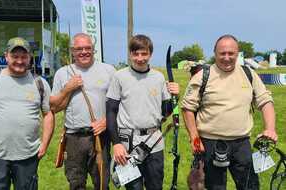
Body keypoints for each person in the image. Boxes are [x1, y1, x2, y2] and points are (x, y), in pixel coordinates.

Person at [181, 34, 278, 190]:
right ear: (215, 53)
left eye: (231, 53)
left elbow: (265, 102)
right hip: (210, 144)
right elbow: (187, 108)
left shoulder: (249, 74)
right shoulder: (202, 76)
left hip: (242, 144)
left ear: (237, 53)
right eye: (222, 53)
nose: (226, 58)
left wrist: (270, 129)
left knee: (250, 187)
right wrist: (194, 138)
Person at [106, 34, 179, 190]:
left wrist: (175, 96)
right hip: (127, 144)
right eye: (136, 53)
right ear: (130, 54)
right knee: (134, 188)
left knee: (155, 186)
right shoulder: (120, 76)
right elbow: (111, 112)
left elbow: (166, 112)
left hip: (154, 142)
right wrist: (116, 144)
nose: (140, 58)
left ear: (150, 54)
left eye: (144, 53)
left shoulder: (158, 77)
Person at [0, 37, 54, 189]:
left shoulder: (40, 83)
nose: (19, 61)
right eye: (15, 56)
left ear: (30, 57)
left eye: (24, 57)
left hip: (28, 155)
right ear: (6, 56)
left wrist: (45, 143)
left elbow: (48, 114)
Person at [50, 33, 116, 190]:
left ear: (93, 50)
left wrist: (106, 122)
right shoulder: (62, 73)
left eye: (88, 48)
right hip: (74, 138)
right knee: (76, 183)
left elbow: (119, 105)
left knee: (102, 183)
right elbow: (54, 107)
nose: (84, 52)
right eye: (79, 49)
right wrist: (68, 88)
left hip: (101, 137)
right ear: (72, 51)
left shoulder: (109, 70)